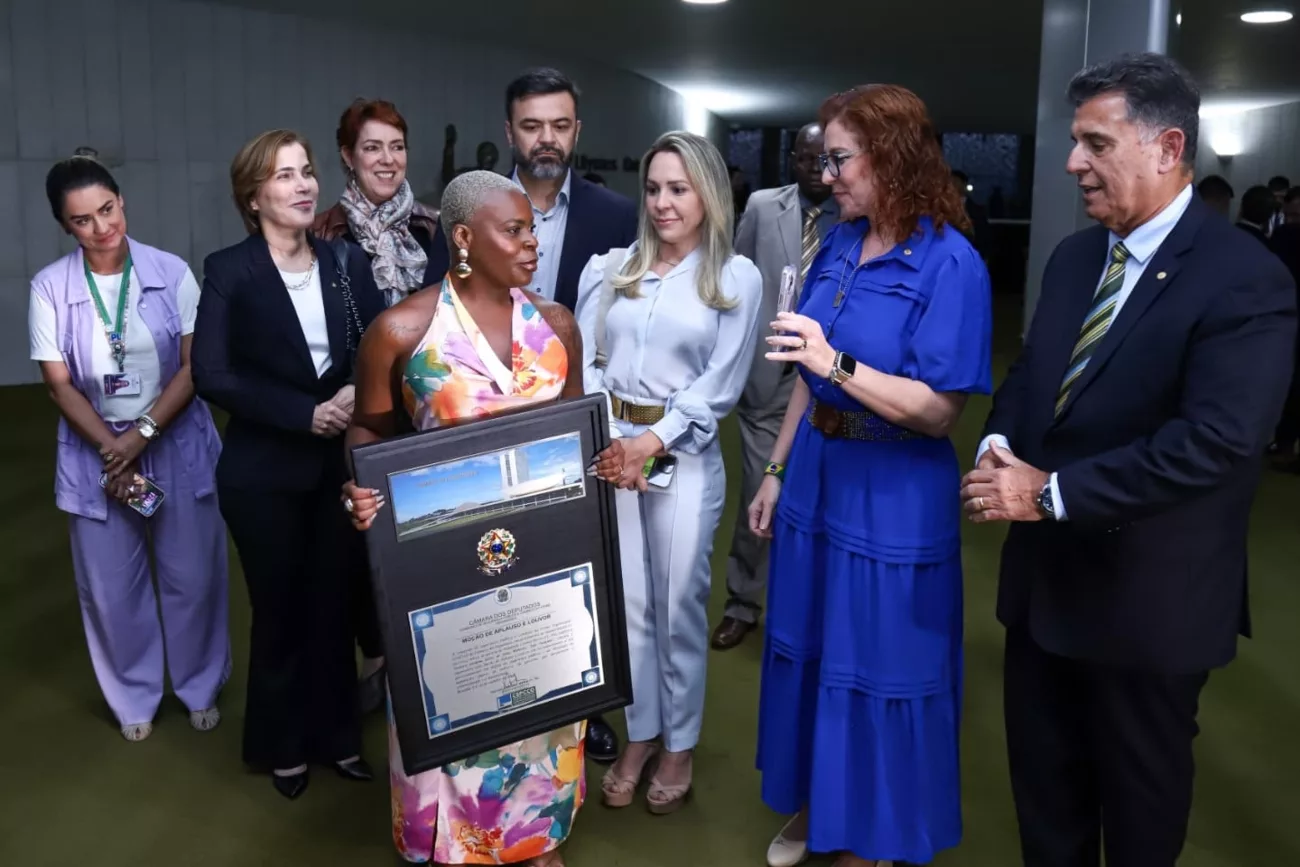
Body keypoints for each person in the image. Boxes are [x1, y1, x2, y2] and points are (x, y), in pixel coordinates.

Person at [961, 53, 1296, 867]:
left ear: (1167, 146)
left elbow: (1216, 440)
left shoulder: (1245, 278)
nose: (1073, 163)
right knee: (1048, 810)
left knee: (1140, 822)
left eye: (1096, 144)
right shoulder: (1075, 259)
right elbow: (1032, 375)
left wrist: (1049, 493)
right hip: (1044, 596)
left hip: (1149, 608)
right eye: (1075, 142)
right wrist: (997, 443)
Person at [340, 171, 626, 866]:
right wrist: (360, 490)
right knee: (455, 704)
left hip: (546, 562)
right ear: (464, 238)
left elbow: (577, 433)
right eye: (515, 230)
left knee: (543, 700)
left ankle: (537, 838)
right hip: (444, 568)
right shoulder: (402, 332)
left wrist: (607, 459)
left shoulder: (556, 325)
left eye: (532, 229)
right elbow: (368, 432)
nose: (532, 243)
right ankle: (458, 845)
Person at [750, 84, 990, 867]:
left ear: (890, 156)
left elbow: (937, 411)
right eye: (824, 160)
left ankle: (872, 831)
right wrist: (776, 469)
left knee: (882, 663)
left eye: (839, 159)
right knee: (816, 645)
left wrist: (837, 363)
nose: (826, 176)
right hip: (818, 472)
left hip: (892, 490)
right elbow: (804, 372)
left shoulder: (952, 263)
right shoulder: (841, 243)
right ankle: (822, 801)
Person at [192, 129, 386, 799]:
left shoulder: (345, 262)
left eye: (306, 171)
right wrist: (303, 413)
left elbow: (382, 346)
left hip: (338, 469)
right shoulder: (229, 270)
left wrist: (358, 391)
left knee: (335, 602)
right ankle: (284, 746)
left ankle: (339, 739)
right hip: (263, 473)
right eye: (284, 175)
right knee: (279, 608)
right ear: (253, 197)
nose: (304, 185)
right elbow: (212, 372)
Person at [576, 131, 762, 813]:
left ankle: (679, 744)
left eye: (679, 189)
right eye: (653, 188)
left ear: (708, 193)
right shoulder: (611, 268)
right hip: (611, 452)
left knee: (678, 604)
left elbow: (721, 384)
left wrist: (650, 443)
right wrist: (613, 439)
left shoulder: (734, 278)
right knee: (627, 605)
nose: (662, 202)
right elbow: (585, 360)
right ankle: (640, 734)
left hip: (681, 458)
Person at [28, 156, 230, 743]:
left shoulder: (172, 272)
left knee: (194, 578)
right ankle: (133, 694)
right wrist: (112, 448)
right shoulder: (50, 287)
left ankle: (198, 685)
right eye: (82, 220)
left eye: (107, 209)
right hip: (97, 451)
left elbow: (194, 367)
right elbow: (58, 383)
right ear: (65, 226)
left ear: (122, 201)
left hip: (173, 437)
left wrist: (140, 435)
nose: (101, 227)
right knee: (112, 589)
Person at [497, 65, 639, 761]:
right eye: (532, 126)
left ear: (577, 130)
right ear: (510, 132)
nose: (546, 139)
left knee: (583, 566)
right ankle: (506, 703)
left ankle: (586, 710)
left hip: (580, 419)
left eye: (559, 125)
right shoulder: (473, 209)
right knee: (504, 565)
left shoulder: (617, 216)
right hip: (492, 418)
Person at [312, 98, 444, 715]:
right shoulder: (322, 233)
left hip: (425, 414)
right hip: (353, 413)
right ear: (347, 156)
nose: (387, 160)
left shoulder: (436, 228)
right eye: (372, 147)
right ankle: (375, 663)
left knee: (425, 546)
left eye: (396, 146)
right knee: (358, 552)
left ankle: (422, 671)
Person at [711, 122, 837, 652]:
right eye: (806, 158)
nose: (815, 169)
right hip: (768, 378)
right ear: (792, 160)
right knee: (760, 492)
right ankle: (742, 602)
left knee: (820, 497)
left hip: (830, 380)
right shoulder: (764, 207)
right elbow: (735, 279)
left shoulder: (854, 211)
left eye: (824, 159)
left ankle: (808, 610)